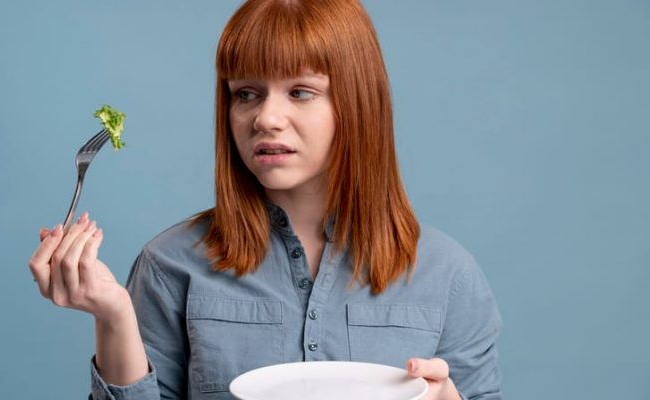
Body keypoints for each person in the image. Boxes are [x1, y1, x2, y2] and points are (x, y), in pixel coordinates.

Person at [28, 0, 503, 399]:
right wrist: (114, 315)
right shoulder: (169, 266)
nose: (266, 118)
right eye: (247, 94)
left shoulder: (449, 276)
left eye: (301, 91)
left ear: (358, 103)